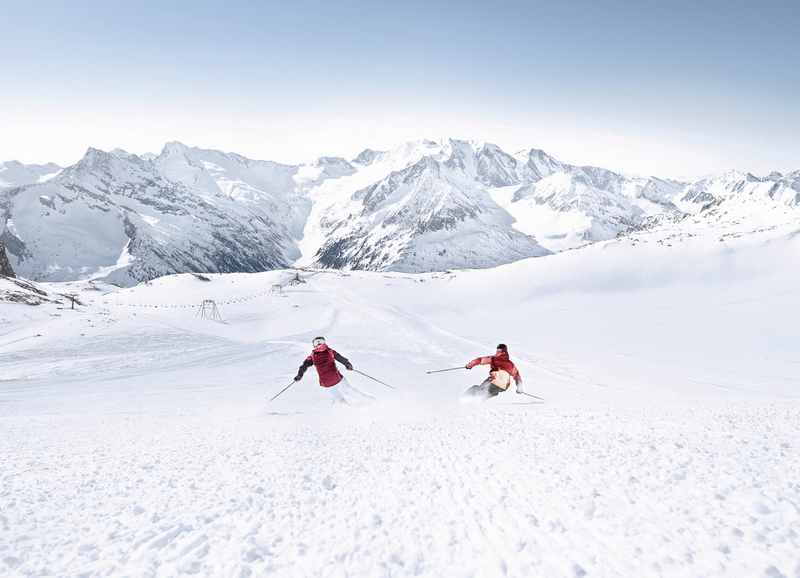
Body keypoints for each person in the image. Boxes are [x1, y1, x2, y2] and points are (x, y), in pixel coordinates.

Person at [294, 337, 372, 404]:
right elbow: (339, 358)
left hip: (326, 382)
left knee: (339, 398)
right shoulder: (329, 351)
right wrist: (347, 364)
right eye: (318, 342)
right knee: (349, 391)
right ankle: (369, 401)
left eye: (320, 342)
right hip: (337, 378)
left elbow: (304, 366)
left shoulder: (312, 356)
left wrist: (299, 375)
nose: (319, 344)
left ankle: (347, 409)